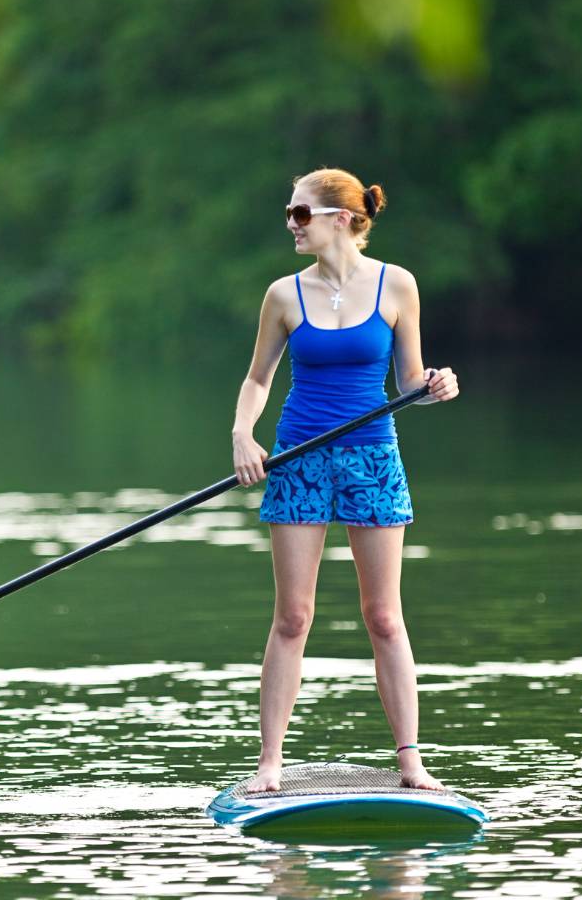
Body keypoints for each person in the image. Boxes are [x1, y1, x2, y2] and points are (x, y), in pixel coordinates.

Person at [230, 167, 458, 792]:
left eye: (299, 214)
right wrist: (243, 436)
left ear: (338, 219)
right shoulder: (282, 295)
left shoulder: (397, 285)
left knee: (385, 616)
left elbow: (410, 385)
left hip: (373, 458)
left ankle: (410, 761)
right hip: (299, 457)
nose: (290, 225)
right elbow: (258, 380)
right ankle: (269, 766)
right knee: (293, 618)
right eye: (288, 212)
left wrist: (439, 386)